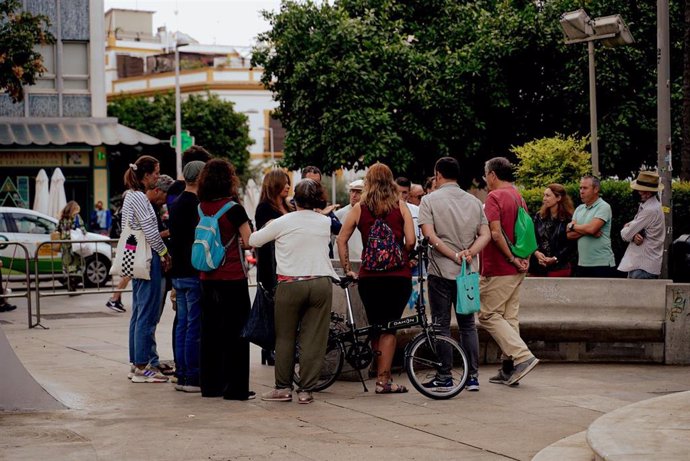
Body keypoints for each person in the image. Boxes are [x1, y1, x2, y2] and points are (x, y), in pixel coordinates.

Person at [250, 179, 340, 404]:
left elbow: (254, 240)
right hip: (320, 282)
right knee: (314, 338)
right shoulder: (324, 222)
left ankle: (283, 388)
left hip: (290, 284)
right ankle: (306, 390)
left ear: (295, 200)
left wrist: (268, 225)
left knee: (285, 337)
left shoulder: (283, 221)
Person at [337, 163, 415, 394]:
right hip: (398, 277)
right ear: (391, 182)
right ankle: (384, 380)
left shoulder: (360, 208)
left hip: (369, 278)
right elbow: (410, 240)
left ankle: (377, 371)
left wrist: (347, 269)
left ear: (368, 183)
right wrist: (403, 256)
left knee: (376, 326)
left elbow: (341, 240)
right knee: (389, 329)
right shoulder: (400, 206)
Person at [419, 157, 490, 392]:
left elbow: (429, 235)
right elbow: (485, 234)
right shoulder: (474, 201)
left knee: (441, 325)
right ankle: (472, 377)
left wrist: (452, 254)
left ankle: (445, 376)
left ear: (438, 175)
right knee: (468, 324)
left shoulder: (429, 200)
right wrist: (469, 252)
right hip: (467, 272)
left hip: (440, 270)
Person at [479, 157, 539, 386]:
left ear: (493, 175)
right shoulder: (517, 195)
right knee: (509, 316)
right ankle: (508, 368)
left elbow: (495, 233)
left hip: (500, 267)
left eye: (486, 174)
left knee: (488, 314)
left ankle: (522, 357)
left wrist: (511, 258)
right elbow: (524, 231)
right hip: (517, 267)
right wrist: (522, 259)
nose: (486, 179)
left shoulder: (494, 197)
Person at [197, 158, 254, 400]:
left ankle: (210, 386)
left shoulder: (201, 207)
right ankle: (236, 388)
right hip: (232, 277)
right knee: (237, 333)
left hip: (207, 278)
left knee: (210, 332)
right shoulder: (234, 209)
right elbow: (249, 240)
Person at [121, 155, 172, 383]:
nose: (157, 177)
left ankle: (136, 363)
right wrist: (163, 252)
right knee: (147, 314)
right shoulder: (141, 198)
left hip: (135, 256)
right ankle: (143, 368)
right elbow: (151, 232)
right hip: (148, 257)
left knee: (139, 312)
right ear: (145, 176)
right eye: (156, 173)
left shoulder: (129, 197)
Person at [168, 161, 205, 392]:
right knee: (194, 325)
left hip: (178, 272)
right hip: (193, 271)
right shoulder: (197, 205)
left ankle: (181, 374)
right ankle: (192, 376)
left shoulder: (177, 202)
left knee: (182, 324)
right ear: (201, 178)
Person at [254, 169, 293, 366]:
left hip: (288, 262)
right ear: (274, 185)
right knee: (271, 307)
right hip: (270, 264)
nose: (288, 186)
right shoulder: (264, 209)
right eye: (284, 183)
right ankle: (269, 348)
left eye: (289, 183)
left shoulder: (289, 206)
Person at [618, 171, 665, 279]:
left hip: (642, 267)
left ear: (648, 193)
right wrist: (633, 234)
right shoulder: (650, 206)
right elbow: (635, 229)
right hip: (643, 265)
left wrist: (626, 229)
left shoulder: (649, 210)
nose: (636, 191)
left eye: (639, 190)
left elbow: (626, 235)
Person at [567, 175, 616, 277]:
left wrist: (573, 226)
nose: (581, 191)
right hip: (582, 264)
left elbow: (591, 229)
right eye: (580, 188)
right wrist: (588, 231)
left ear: (596, 189)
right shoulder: (579, 208)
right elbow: (569, 235)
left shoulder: (604, 207)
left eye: (585, 188)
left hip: (602, 264)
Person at [529, 184, 576, 277]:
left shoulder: (568, 218)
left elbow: (571, 245)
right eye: (544, 195)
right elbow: (532, 238)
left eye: (548, 195)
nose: (544, 199)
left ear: (558, 198)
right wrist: (536, 253)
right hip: (538, 266)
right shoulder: (539, 216)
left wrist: (555, 258)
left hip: (560, 267)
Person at [57, 201, 85, 292]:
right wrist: (85, 234)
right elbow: (82, 228)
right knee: (75, 263)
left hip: (64, 244)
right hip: (73, 243)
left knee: (67, 263)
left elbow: (57, 229)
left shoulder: (62, 217)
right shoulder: (76, 216)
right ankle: (73, 284)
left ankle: (69, 281)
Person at [334, 179, 364, 262]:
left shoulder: (370, 213)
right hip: (342, 260)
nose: (354, 195)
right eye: (352, 191)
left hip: (361, 259)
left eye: (358, 192)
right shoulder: (340, 213)